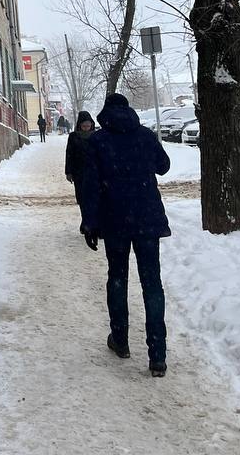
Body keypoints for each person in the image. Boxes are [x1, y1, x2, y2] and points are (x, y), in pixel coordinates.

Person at [80, 93, 171, 378]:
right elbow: (163, 166)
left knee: (117, 278)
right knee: (152, 284)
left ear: (105, 113)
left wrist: (90, 224)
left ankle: (120, 340)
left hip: (115, 220)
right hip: (147, 219)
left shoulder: (97, 141)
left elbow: (90, 186)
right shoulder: (144, 136)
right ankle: (158, 355)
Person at [64, 110, 96, 230]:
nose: (86, 128)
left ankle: (94, 223)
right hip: (79, 173)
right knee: (82, 199)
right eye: (84, 126)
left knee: (94, 199)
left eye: (88, 125)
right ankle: (85, 221)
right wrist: (68, 172)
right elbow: (69, 154)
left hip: (94, 173)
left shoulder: (96, 136)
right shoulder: (74, 136)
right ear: (79, 125)